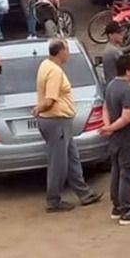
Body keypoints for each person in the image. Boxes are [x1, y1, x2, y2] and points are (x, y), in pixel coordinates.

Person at [36, 40, 103, 212]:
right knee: (58, 162)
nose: (68, 54)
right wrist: (39, 109)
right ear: (60, 51)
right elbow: (50, 99)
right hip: (56, 120)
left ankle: (84, 193)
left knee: (72, 158)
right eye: (67, 50)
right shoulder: (55, 71)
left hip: (59, 122)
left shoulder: (45, 64)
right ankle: (54, 200)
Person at [99, 53, 130, 224]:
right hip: (127, 139)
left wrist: (108, 127)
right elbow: (127, 117)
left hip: (116, 139)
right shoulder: (128, 91)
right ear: (128, 71)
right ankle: (126, 210)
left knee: (117, 172)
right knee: (128, 173)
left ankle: (117, 206)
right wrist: (110, 127)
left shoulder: (111, 85)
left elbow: (105, 108)